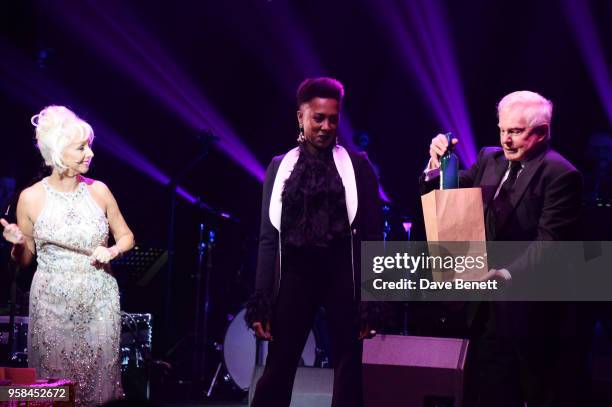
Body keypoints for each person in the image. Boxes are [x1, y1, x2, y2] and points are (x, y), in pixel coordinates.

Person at [421, 91, 583, 407]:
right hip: (477, 307)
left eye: (516, 132)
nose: (506, 140)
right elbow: (449, 197)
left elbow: (549, 244)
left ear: (542, 133)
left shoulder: (560, 174)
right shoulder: (489, 159)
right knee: (477, 389)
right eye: (503, 130)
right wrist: (437, 165)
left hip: (524, 311)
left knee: (514, 390)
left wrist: (505, 275)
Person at [246, 77, 382, 407]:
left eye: (333, 119)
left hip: (343, 278)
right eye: (318, 118)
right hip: (296, 276)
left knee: (350, 366)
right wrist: (262, 300)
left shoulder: (357, 165)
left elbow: (374, 235)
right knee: (279, 365)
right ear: (301, 118)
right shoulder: (280, 167)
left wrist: (374, 299)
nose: (326, 126)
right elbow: (268, 237)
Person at [0, 105, 135, 406]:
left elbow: (127, 236)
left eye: (89, 145)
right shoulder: (30, 198)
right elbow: (23, 261)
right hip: (51, 306)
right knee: (55, 390)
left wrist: (112, 249)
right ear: (60, 152)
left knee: (98, 389)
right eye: (81, 147)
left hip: (98, 302)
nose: (90, 153)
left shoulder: (99, 191)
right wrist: (18, 243)